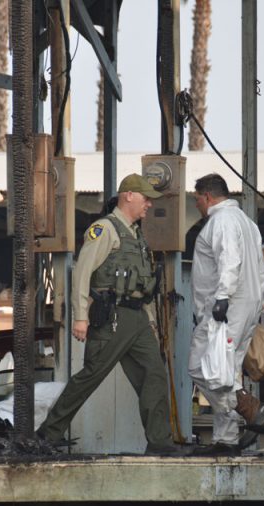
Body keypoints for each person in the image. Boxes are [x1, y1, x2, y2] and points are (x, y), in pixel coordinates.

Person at [37, 173, 185, 455]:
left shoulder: (136, 234)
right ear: (129, 195)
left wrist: (150, 321)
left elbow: (144, 285)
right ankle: (47, 433)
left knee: (154, 374)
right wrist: (81, 316)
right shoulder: (105, 230)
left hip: (138, 318)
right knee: (91, 375)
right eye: (145, 199)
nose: (149, 206)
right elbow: (82, 273)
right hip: (113, 317)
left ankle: (160, 443)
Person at [189, 173, 264, 453]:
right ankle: (227, 437)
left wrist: (222, 298)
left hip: (225, 310)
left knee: (200, 367)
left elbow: (230, 259)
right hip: (245, 306)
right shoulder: (247, 223)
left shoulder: (222, 221)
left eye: (197, 199)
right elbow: (261, 269)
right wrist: (260, 300)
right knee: (228, 371)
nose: (197, 205)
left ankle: (245, 407)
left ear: (208, 196)